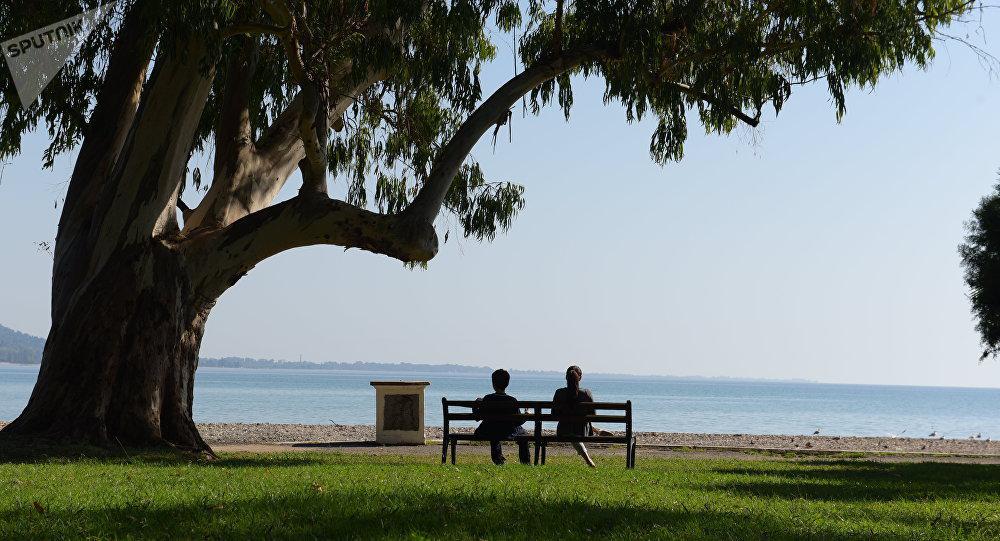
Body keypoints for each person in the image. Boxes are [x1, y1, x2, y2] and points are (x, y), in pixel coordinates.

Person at [552, 365, 609, 468]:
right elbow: (593, 415)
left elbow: (554, 414)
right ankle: (597, 432)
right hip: (583, 431)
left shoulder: (559, 393)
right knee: (576, 429)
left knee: (571, 430)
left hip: (563, 430)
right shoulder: (586, 393)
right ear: (580, 378)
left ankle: (596, 435)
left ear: (566, 377)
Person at [474, 369, 531, 465]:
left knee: (494, 428)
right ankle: (525, 462)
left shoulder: (487, 399)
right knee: (524, 435)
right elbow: (518, 422)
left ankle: (498, 460)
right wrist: (527, 413)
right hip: (507, 431)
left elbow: (477, 417)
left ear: (493, 383)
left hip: (487, 430)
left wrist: (477, 404)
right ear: (507, 383)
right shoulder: (512, 400)